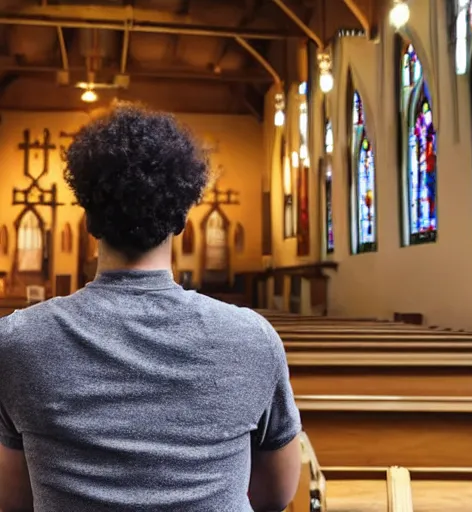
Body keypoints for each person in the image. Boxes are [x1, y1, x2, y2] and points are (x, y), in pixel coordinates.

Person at [0, 104, 302, 512]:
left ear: (89, 220)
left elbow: (13, 499)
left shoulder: (17, 343)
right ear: (181, 221)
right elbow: (276, 496)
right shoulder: (252, 338)